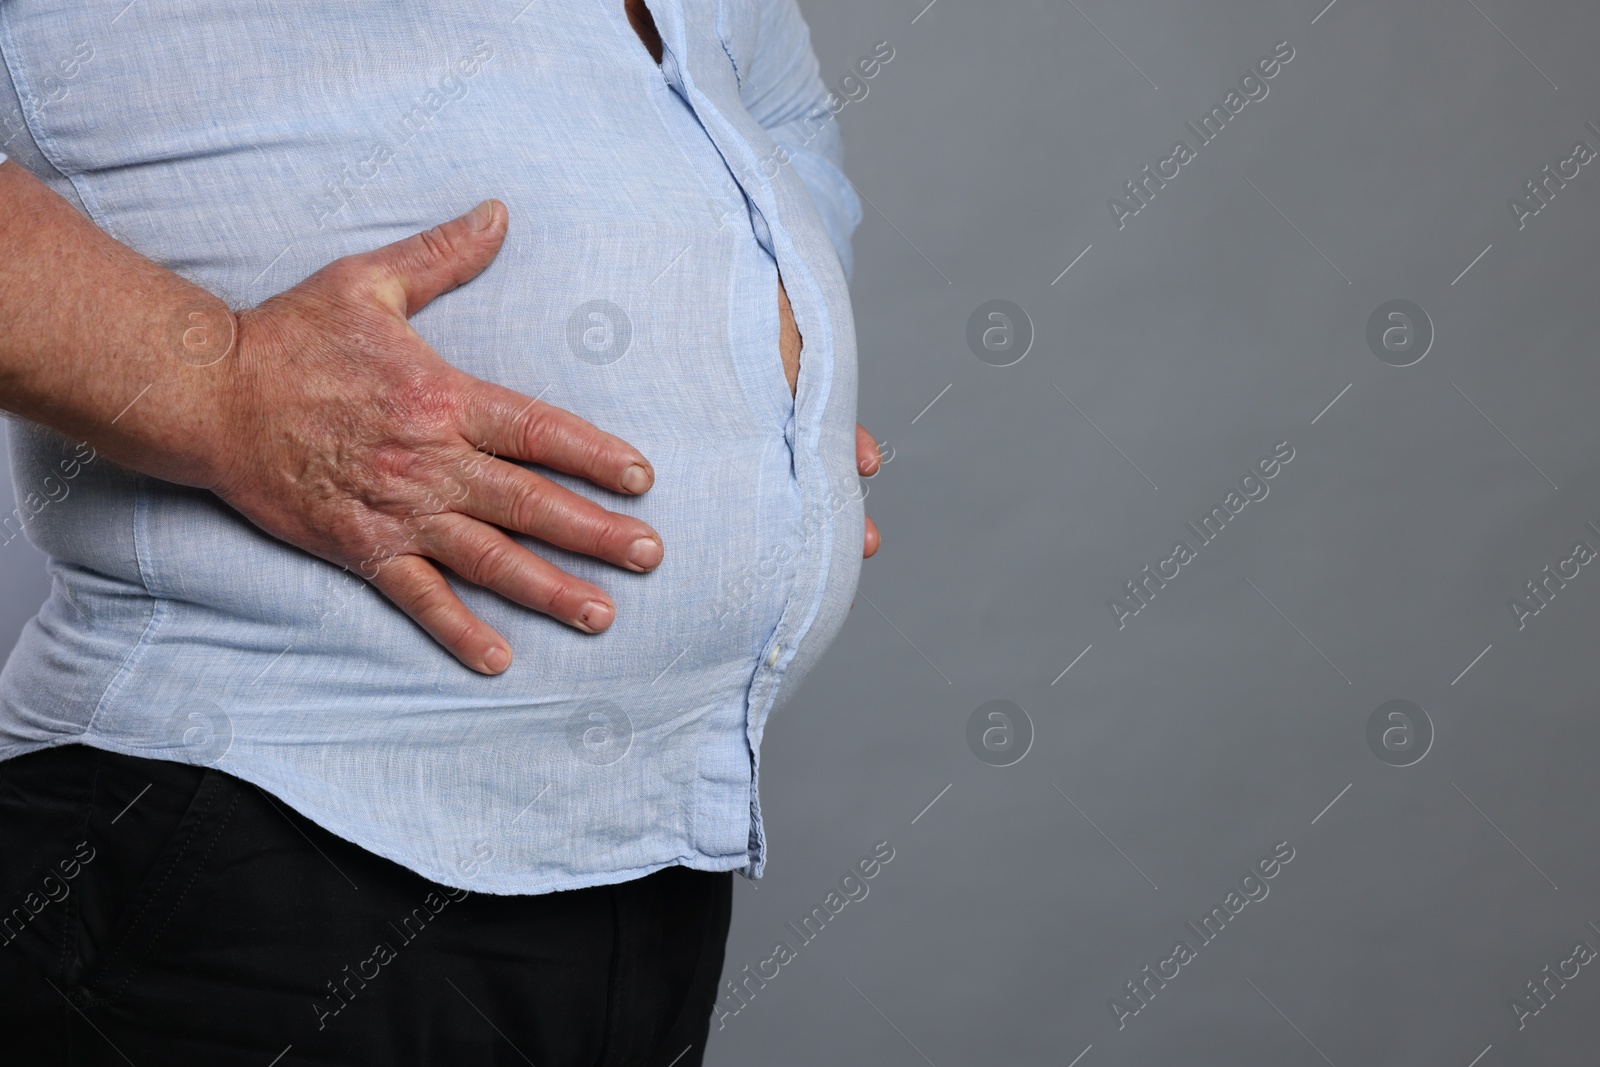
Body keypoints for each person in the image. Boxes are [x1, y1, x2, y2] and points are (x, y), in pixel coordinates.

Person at [0, 0, 880, 1061]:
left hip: (649, 859)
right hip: (255, 830)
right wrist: (226, 386)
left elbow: (769, 99)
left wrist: (778, 386)